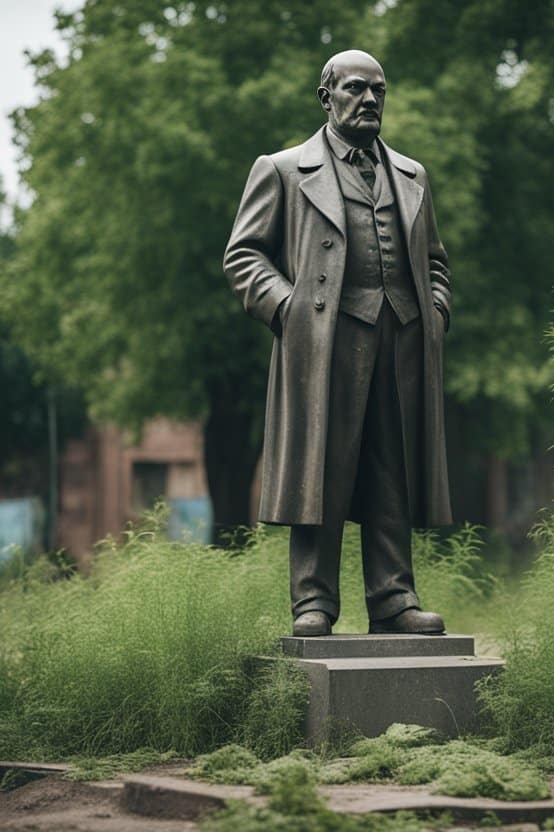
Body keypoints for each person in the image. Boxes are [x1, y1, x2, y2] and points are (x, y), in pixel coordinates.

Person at [223, 50, 452, 637]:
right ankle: (313, 600)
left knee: (393, 469)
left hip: (400, 343)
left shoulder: (412, 175)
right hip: (323, 345)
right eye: (355, 88)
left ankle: (394, 598)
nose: (369, 99)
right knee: (320, 470)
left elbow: (435, 263)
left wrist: (435, 314)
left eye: (379, 90)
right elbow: (243, 255)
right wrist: (289, 310)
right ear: (326, 97)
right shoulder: (282, 170)